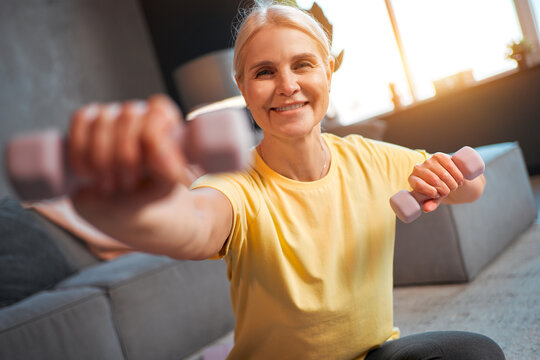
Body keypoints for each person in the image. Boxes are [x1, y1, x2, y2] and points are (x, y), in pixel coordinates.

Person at [67, 2, 505, 359]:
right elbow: (194, 227)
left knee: (476, 353)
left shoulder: (370, 158)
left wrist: (448, 177)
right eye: (264, 72)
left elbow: (472, 188)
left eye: (303, 65)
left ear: (328, 72)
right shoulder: (235, 185)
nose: (287, 85)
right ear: (242, 87)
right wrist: (132, 210)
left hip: (371, 355)